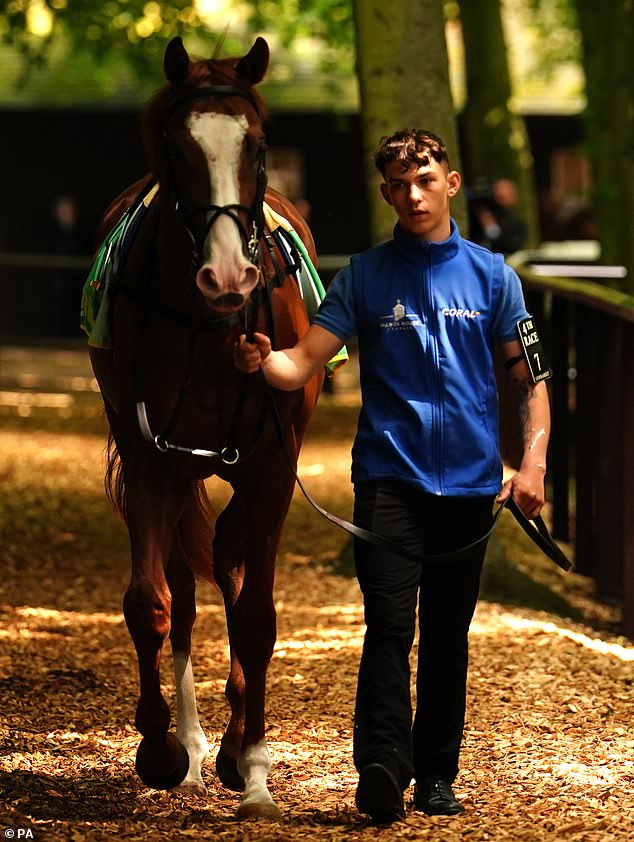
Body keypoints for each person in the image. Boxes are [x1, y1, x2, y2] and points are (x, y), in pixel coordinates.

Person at [234, 129, 550, 823]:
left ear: (451, 183)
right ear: (386, 193)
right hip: (388, 481)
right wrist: (267, 360)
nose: (413, 194)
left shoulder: (495, 276)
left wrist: (532, 463)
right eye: (400, 185)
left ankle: (437, 773)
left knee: (446, 633)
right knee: (387, 625)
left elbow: (532, 380)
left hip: (470, 487)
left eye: (425, 180)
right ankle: (382, 764)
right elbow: (303, 360)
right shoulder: (364, 277)